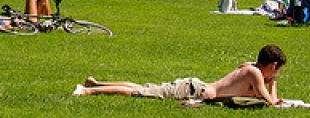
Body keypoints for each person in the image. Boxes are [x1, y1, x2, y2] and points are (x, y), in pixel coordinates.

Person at [72, 45, 287, 106]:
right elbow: (268, 101)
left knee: (142, 87)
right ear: (273, 65)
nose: (276, 74)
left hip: (196, 88)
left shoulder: (250, 67)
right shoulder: (254, 72)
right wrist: (273, 84)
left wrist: (272, 81)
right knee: (140, 92)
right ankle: (87, 91)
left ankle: (96, 84)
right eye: (277, 69)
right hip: (196, 90)